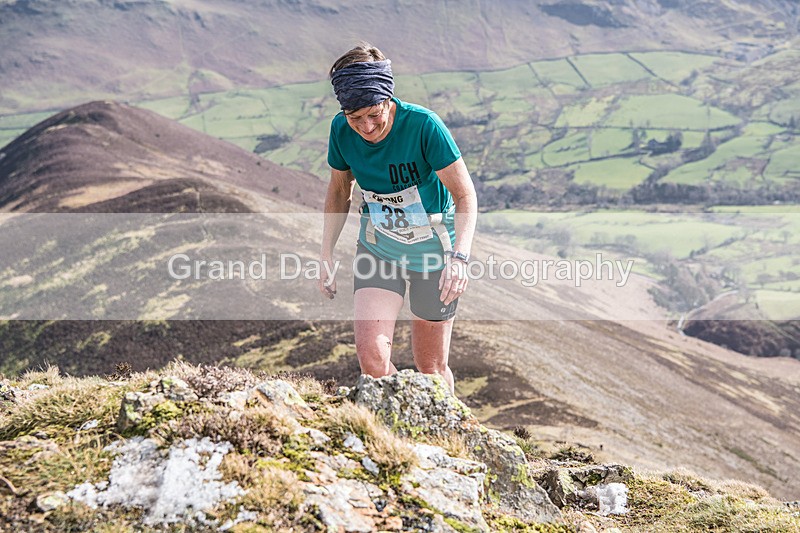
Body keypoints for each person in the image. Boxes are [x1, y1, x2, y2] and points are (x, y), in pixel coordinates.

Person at [318, 43, 477, 394]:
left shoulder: (424, 126)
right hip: (379, 250)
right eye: (355, 118)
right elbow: (338, 189)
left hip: (435, 254)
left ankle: (448, 437)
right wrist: (326, 252)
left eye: (374, 114)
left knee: (431, 368)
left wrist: (460, 259)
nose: (367, 127)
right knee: (373, 361)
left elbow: (466, 195)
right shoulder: (341, 130)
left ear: (388, 98)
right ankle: (401, 436)